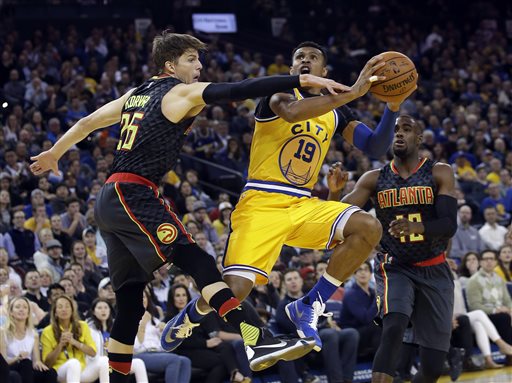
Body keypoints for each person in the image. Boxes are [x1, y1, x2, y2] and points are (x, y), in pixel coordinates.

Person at [30, 32, 345, 381]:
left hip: (109, 198)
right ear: (171, 64)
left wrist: (54, 153)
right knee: (198, 260)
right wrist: (299, 79)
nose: (200, 66)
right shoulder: (179, 91)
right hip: (134, 193)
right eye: (192, 59)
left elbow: (88, 123)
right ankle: (256, 337)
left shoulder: (136, 94)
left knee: (131, 303)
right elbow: (239, 89)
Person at [211, 41, 416, 353]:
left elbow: (374, 146)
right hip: (262, 201)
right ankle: (189, 318)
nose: (305, 60)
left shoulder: (336, 110)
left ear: (324, 71)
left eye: (313, 57)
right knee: (235, 291)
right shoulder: (278, 95)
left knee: (369, 227)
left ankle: (311, 304)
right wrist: (353, 92)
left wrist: (392, 106)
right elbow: (292, 114)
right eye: (299, 57)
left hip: (301, 203)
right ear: (293, 70)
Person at [332, 114, 457, 383]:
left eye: (407, 129)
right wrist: (333, 194)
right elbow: (338, 221)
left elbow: (449, 225)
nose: (399, 134)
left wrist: (419, 227)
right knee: (393, 326)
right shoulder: (373, 179)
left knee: (434, 366)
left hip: (435, 268)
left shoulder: (439, 171)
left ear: (419, 138)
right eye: (396, 130)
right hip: (395, 266)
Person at [41, 294, 104, 382]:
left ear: (72, 310)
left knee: (104, 360)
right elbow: (47, 363)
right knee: (74, 363)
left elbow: (93, 353)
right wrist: (60, 345)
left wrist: (74, 342)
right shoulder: (47, 331)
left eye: (67, 306)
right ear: (55, 312)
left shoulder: (83, 326)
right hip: (61, 371)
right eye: (60, 307)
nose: (64, 309)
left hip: (83, 369)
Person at [86, 298, 148, 382]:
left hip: (114, 363)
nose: (103, 310)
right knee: (104, 362)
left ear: (110, 310)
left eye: (106, 307)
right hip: (96, 364)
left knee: (138, 363)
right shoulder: (89, 328)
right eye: (99, 308)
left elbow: (134, 344)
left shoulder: (117, 325)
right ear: (93, 311)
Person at [0, 296, 57, 383]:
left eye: (25, 307)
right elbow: (3, 363)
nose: (21, 309)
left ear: (28, 313)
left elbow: (36, 361)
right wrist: (17, 358)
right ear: (11, 312)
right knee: (25, 362)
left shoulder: (34, 334)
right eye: (17, 307)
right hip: (10, 368)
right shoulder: (3, 332)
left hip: (28, 368)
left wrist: (39, 363)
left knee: (51, 373)